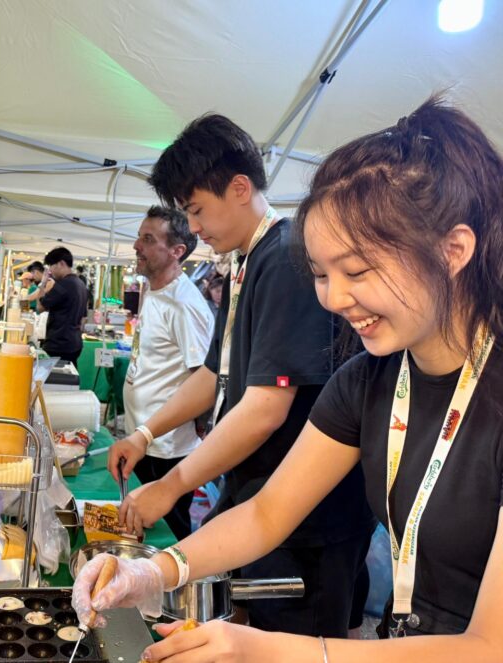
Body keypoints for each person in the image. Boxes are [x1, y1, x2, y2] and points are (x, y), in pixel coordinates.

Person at [74, 97, 503, 660]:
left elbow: (488, 646)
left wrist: (278, 651)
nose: (335, 298)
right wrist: (155, 570)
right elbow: (267, 512)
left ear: (453, 251)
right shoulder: (366, 382)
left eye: (357, 271)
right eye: (321, 275)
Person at [107, 113, 373, 638]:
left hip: (306, 520)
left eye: (197, 210)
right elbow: (214, 375)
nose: (195, 228)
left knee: (294, 643)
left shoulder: (287, 257)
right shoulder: (247, 262)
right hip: (258, 501)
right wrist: (144, 434)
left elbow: (265, 410)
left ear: (239, 187)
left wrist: (173, 484)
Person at [121, 205, 213, 539]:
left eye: (148, 239)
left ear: (177, 251)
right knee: (137, 526)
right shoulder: (155, 289)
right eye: (139, 237)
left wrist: (197, 426)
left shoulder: (185, 304)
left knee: (166, 534)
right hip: (145, 440)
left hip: (166, 448)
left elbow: (205, 378)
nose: (137, 246)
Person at [32, 247, 88, 366]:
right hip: (75, 343)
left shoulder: (63, 285)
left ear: (61, 263)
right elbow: (84, 318)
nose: (50, 271)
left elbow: (40, 308)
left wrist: (43, 283)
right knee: (70, 374)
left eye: (51, 266)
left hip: (59, 344)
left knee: (54, 376)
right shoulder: (81, 284)